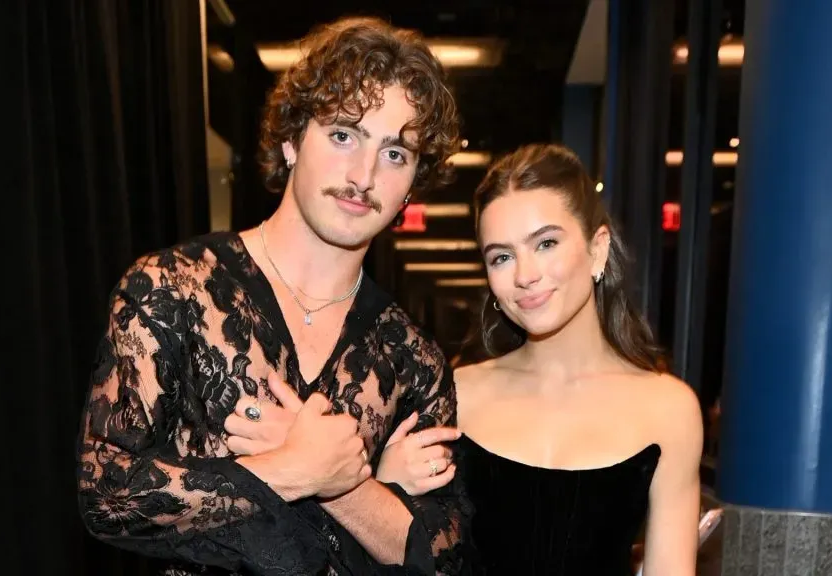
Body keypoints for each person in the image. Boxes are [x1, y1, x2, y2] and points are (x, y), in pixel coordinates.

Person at [76, 16, 470, 576]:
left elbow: (444, 556)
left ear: (412, 181)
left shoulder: (415, 360)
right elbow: (106, 493)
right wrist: (294, 469)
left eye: (395, 154)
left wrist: (348, 485)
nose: (363, 175)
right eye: (343, 135)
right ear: (291, 140)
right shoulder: (172, 289)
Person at [377, 143, 703, 575]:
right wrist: (385, 489)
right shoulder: (457, 393)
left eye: (546, 243)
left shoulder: (669, 409)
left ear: (598, 248)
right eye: (502, 256)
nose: (525, 275)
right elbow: (414, 555)